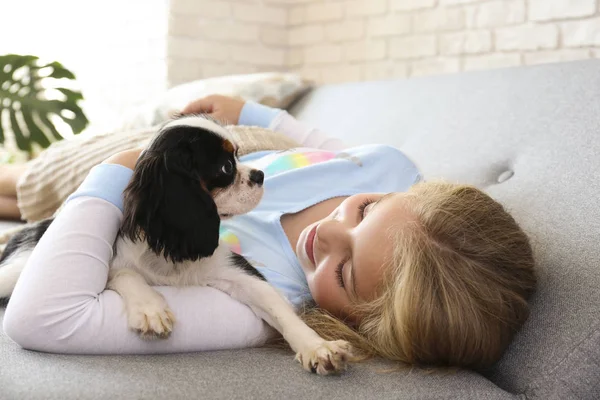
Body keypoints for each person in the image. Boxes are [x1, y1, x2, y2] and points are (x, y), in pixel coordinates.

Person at [2, 95, 536, 370]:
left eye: (344, 272)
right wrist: (252, 111)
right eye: (366, 212)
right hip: (221, 146)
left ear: (354, 322)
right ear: (406, 193)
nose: (327, 233)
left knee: (36, 186)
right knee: (30, 176)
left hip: (132, 195)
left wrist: (123, 167)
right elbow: (331, 145)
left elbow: (42, 317)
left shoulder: (261, 304)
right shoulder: (392, 170)